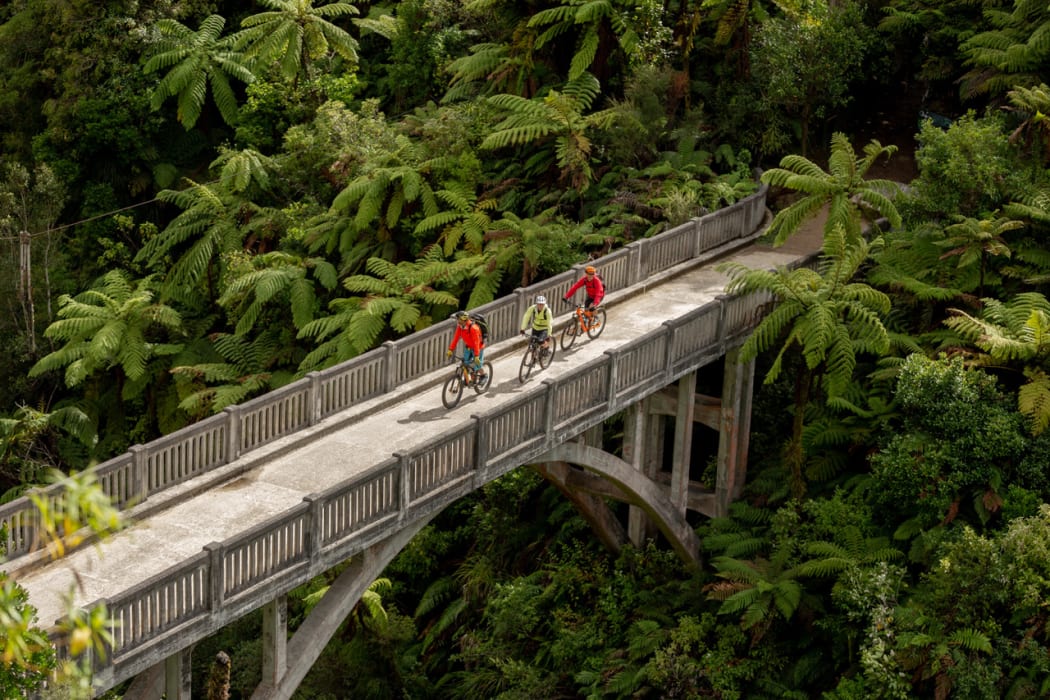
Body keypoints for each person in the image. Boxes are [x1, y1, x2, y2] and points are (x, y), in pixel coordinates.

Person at [447, 311, 485, 377]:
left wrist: (476, 355)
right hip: (469, 347)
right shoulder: (460, 327)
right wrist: (451, 349)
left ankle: (483, 376)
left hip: (478, 348)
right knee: (465, 363)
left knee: (477, 366)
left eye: (458, 319)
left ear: (463, 320)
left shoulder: (473, 328)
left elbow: (476, 343)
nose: (457, 321)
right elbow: (455, 339)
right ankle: (469, 379)